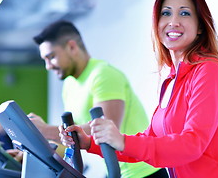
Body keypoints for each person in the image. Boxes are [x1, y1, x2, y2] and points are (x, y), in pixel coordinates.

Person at [59, 0, 218, 178]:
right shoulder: (172, 79)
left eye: (184, 13)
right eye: (166, 13)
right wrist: (90, 143)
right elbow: (151, 139)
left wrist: (121, 140)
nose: (173, 21)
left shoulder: (209, 70)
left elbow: (193, 144)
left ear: (200, 27)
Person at [30, 20, 167, 178]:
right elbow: (74, 141)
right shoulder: (69, 85)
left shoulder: (102, 74)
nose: (48, 66)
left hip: (144, 172)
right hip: (114, 171)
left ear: (72, 47)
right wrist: (35, 154)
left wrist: (46, 130)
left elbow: (106, 128)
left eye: (51, 57)